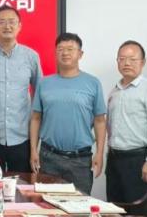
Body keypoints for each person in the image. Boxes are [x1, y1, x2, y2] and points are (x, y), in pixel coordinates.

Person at [30, 33, 106, 195]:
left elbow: (100, 120)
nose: (65, 53)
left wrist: (100, 153)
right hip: (49, 157)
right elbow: (36, 118)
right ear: (55, 53)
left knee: (80, 205)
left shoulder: (93, 83)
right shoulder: (44, 83)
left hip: (80, 160)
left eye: (70, 49)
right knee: (47, 204)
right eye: (60, 49)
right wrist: (33, 150)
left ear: (80, 54)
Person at [0, 4, 42, 173]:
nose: (7, 26)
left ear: (19, 26)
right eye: (2, 22)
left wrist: (36, 136)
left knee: (22, 185)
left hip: (22, 136)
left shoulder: (31, 56)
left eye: (12, 22)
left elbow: (39, 94)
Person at [106, 40, 147, 203]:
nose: (126, 63)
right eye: (122, 59)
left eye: (132, 59)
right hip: (114, 160)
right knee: (114, 208)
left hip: (138, 160)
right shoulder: (115, 91)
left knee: (138, 210)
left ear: (143, 62)